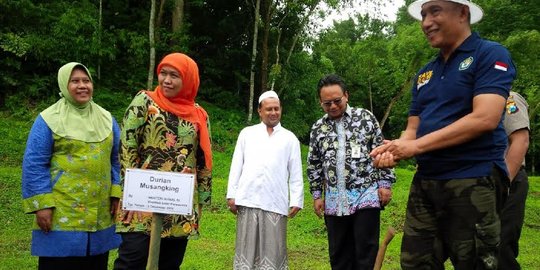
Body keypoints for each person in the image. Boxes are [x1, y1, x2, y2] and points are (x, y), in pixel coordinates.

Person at [370, 1, 517, 269]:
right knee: (416, 263)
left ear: (463, 12)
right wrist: (394, 148)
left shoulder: (490, 54)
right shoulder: (425, 72)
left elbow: (485, 118)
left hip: (472, 177)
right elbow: (413, 128)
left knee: (474, 262)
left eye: (435, 11)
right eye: (424, 14)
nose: (425, 22)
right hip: (426, 181)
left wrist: (414, 148)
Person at [113, 53, 212, 270]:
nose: (166, 80)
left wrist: (202, 201)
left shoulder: (199, 115)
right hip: (141, 200)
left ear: (188, 79)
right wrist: (128, 194)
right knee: (131, 261)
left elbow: (203, 157)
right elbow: (127, 146)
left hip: (177, 204)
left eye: (174, 75)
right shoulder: (144, 102)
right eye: (163, 73)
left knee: (170, 264)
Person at [21, 62, 122, 270]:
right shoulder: (48, 120)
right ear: (64, 85)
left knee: (95, 262)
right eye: (75, 81)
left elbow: (117, 158)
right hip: (61, 211)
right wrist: (42, 205)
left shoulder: (106, 119)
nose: (82, 85)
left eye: (86, 81)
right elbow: (35, 163)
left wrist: (116, 192)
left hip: (99, 211)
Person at [306, 74, 395, 270]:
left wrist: (385, 184)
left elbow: (382, 151)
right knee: (339, 255)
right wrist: (316, 195)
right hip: (334, 200)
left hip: (366, 195)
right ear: (320, 102)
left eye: (337, 101)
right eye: (327, 103)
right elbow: (314, 164)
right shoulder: (318, 128)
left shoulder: (366, 118)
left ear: (346, 95)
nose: (333, 106)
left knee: (365, 251)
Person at [226, 90, 304, 270]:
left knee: (273, 251)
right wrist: (232, 194)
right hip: (247, 199)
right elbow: (236, 165)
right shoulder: (247, 133)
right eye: (269, 109)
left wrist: (296, 200)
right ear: (260, 111)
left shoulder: (289, 138)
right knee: (246, 249)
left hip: (275, 201)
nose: (273, 112)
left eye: (277, 108)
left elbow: (296, 172)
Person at [500, 91, 530, 269]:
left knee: (501, 245)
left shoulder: (508, 98)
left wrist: (505, 182)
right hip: (478, 181)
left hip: (509, 178)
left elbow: (521, 140)